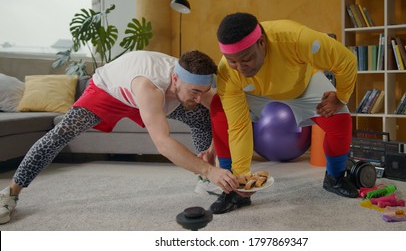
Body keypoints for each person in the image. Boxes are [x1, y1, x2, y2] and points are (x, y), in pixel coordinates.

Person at [0, 50, 239, 224]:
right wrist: (211, 170)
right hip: (108, 92)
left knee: (200, 116)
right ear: (175, 79)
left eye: (203, 92)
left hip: (157, 96)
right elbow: (163, 143)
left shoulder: (190, 81)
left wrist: (211, 151)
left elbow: (219, 113)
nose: (199, 98)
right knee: (60, 135)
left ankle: (204, 181)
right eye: (195, 92)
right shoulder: (151, 85)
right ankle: (10, 193)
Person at [208, 12, 358, 214]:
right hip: (255, 92)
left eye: (246, 59)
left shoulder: (296, 38)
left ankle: (335, 177)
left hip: (300, 83)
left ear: (261, 42)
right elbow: (238, 127)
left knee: (340, 120)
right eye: (232, 61)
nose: (240, 68)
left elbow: (346, 60)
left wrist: (341, 97)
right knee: (219, 107)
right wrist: (242, 178)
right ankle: (231, 188)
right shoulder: (228, 73)